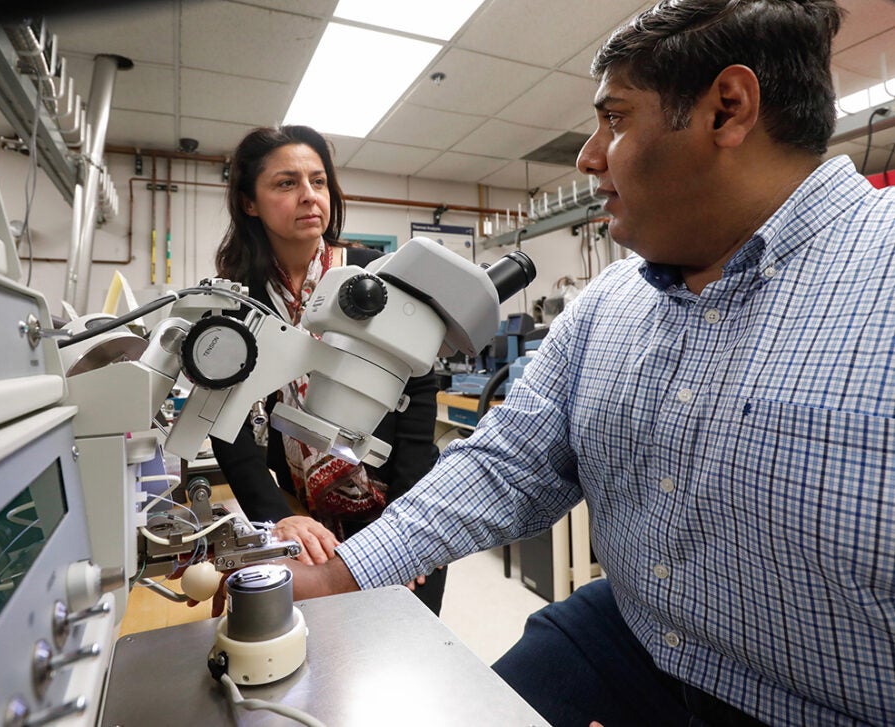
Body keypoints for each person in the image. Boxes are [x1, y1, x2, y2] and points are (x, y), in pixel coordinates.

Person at [287, 1, 895, 725]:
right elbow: (507, 462)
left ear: (727, 111)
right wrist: (340, 572)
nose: (588, 155)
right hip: (630, 637)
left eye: (616, 118)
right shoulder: (607, 305)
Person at [209, 125, 446, 615]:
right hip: (303, 515)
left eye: (318, 181)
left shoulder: (374, 276)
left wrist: (405, 524)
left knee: (403, 651)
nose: (309, 196)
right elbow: (222, 417)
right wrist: (276, 516)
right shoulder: (235, 299)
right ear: (249, 203)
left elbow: (420, 388)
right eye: (285, 183)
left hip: (398, 499)